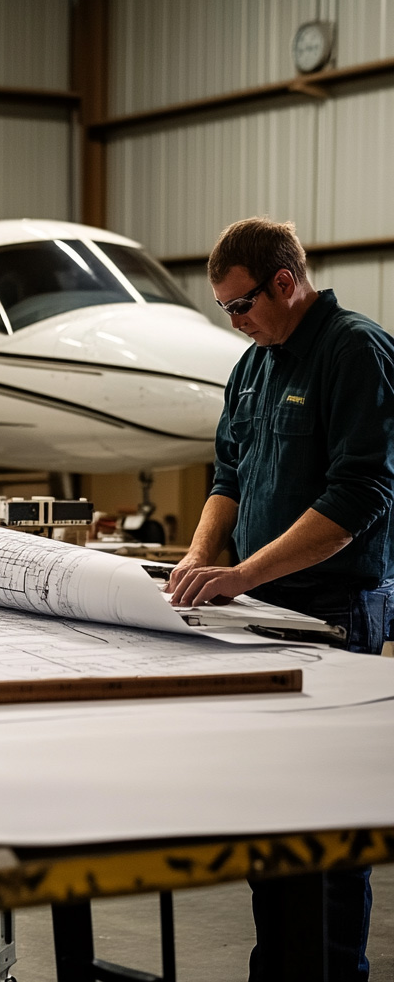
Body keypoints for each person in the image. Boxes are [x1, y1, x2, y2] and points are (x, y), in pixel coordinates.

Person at [166, 216, 394, 981]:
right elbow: (226, 476)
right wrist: (198, 561)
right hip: (262, 614)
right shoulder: (254, 364)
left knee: (327, 828)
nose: (235, 321)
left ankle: (333, 972)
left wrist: (238, 577)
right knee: (275, 821)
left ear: (285, 284)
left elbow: (358, 497)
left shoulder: (354, 351)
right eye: (226, 309)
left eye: (240, 305)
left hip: (334, 613)